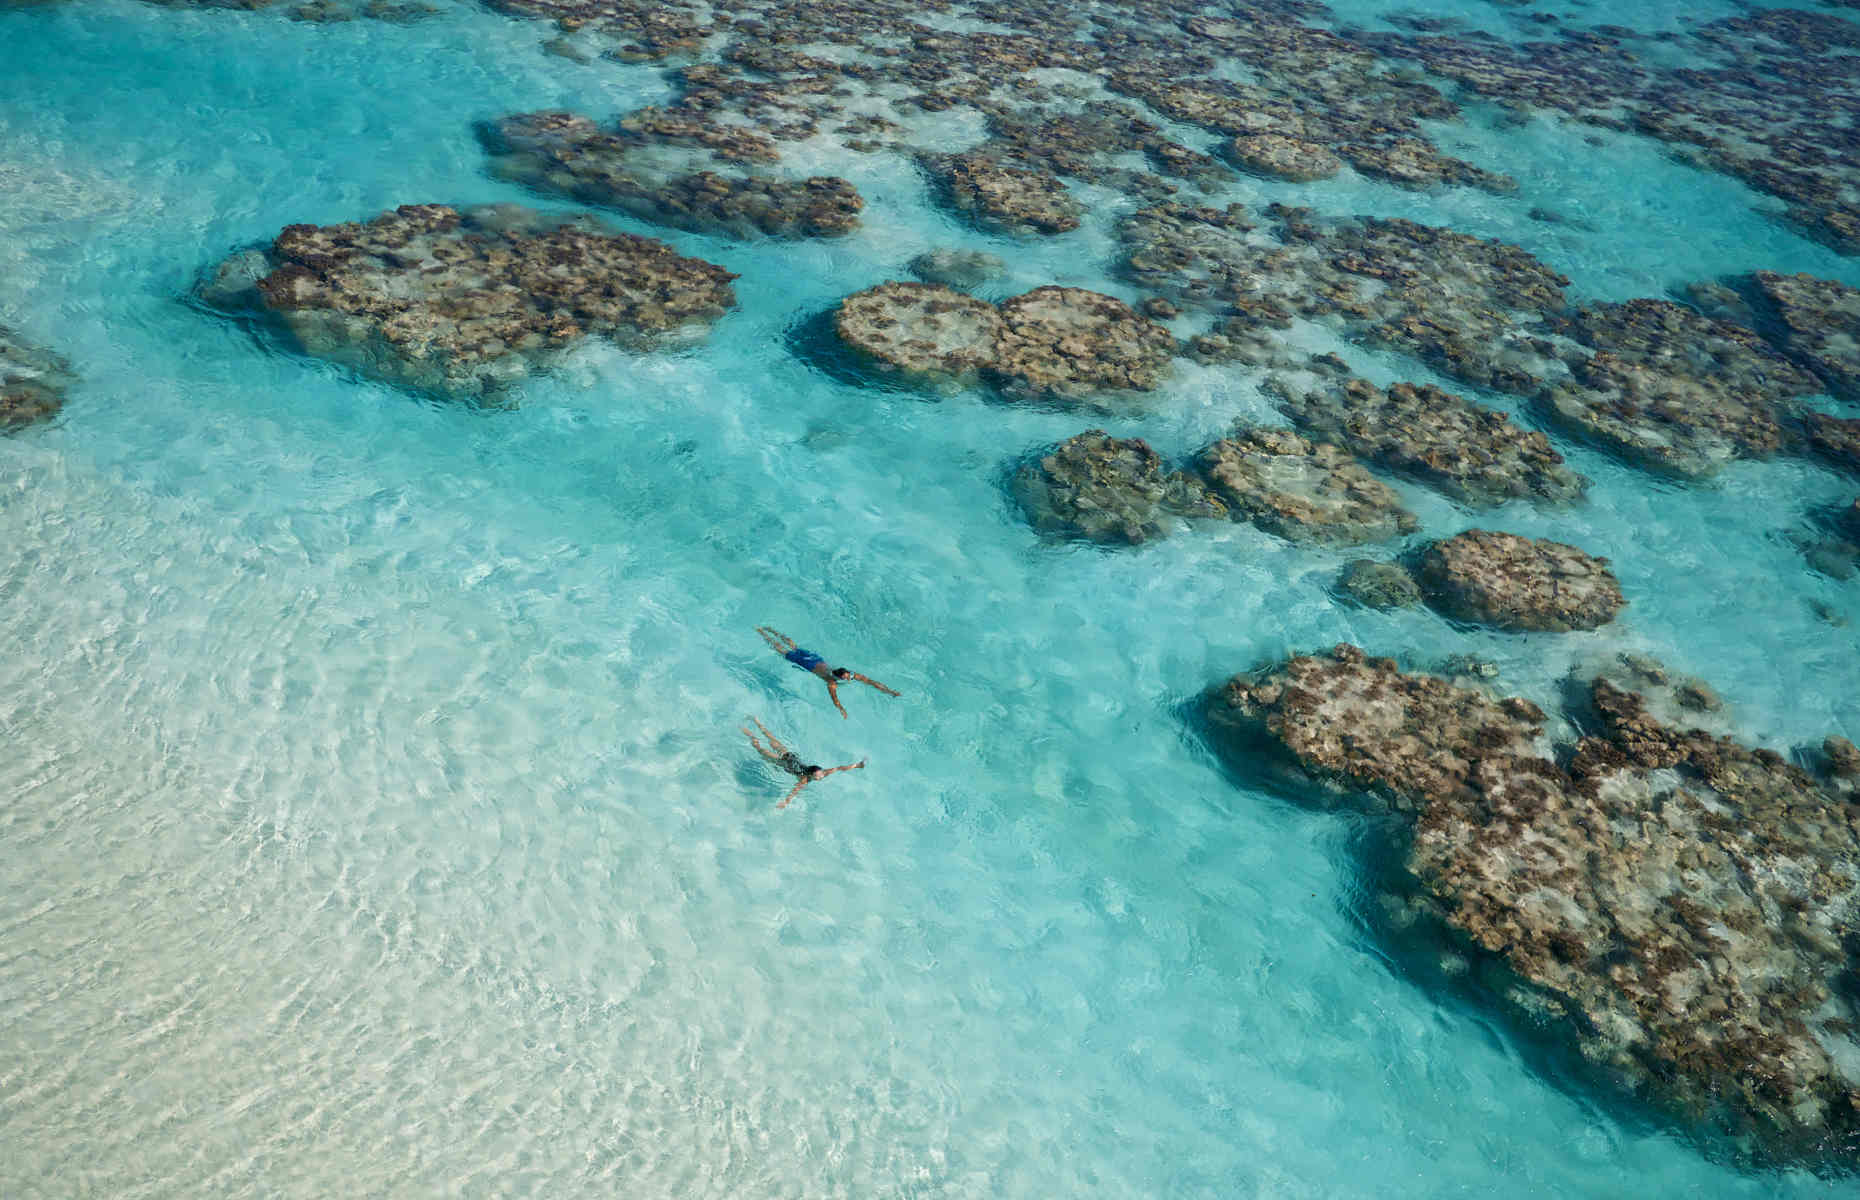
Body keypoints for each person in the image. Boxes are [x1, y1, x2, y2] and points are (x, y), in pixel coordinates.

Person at [755, 626, 900, 719]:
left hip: (815, 659)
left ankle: (770, 630)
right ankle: (763, 633)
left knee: (794, 646)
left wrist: (889, 691)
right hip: (807, 664)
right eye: (846, 677)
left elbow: (871, 682)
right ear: (839, 677)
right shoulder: (831, 682)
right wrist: (841, 708)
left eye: (848, 675)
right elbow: (834, 698)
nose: (849, 678)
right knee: (781, 649)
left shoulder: (848, 674)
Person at [740, 717, 865, 808]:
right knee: (760, 750)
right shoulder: (805, 779)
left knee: (771, 738)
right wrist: (786, 802)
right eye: (817, 776)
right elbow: (796, 789)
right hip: (785, 761)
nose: (820, 777)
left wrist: (857, 765)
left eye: (820, 775)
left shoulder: (825, 772)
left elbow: (840, 768)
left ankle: (756, 721)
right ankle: (751, 735)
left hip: (791, 756)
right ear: (810, 774)